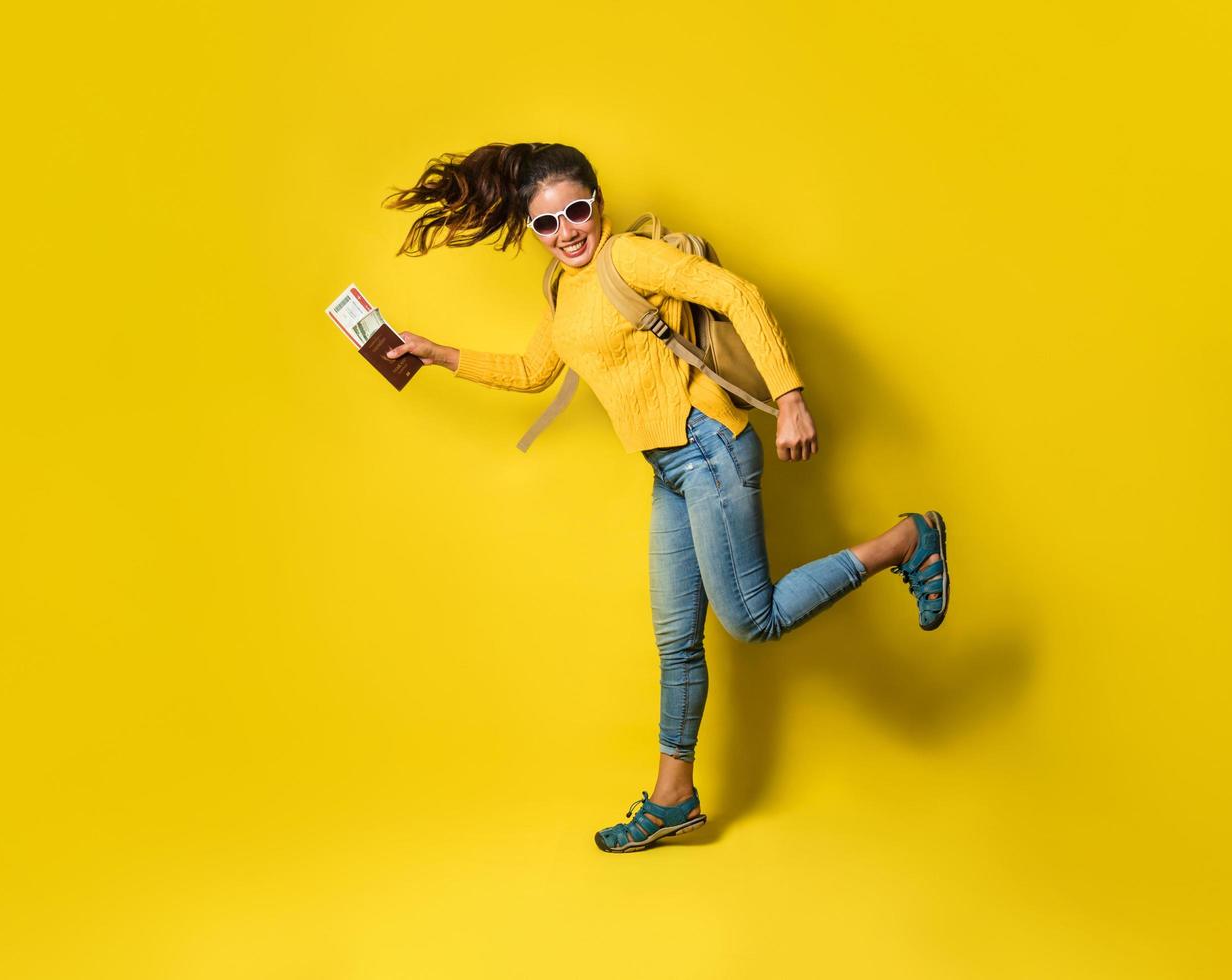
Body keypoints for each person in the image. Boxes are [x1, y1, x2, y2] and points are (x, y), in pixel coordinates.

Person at [379, 142, 950, 854]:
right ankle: (672, 798)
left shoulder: (628, 259)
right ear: (533, 231)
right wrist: (438, 355)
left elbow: (737, 294)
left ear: (600, 205)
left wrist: (791, 399)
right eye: (547, 224)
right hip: (670, 469)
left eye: (577, 212)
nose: (568, 232)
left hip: (710, 448)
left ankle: (905, 540)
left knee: (751, 622)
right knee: (677, 642)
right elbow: (533, 370)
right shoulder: (561, 287)